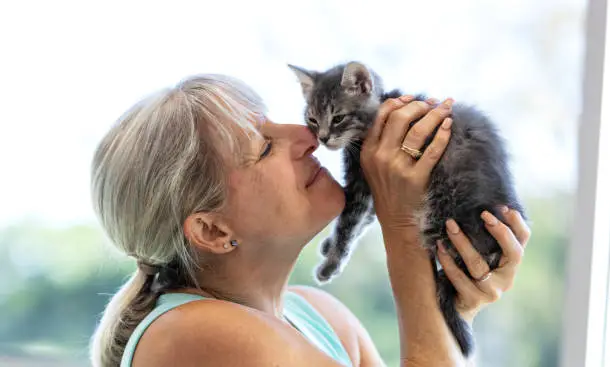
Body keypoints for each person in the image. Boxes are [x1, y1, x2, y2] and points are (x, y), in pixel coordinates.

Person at [89, 74, 530, 367]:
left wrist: (453, 308)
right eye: (263, 146)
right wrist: (402, 228)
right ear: (212, 230)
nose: (305, 136)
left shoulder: (319, 315)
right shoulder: (192, 334)